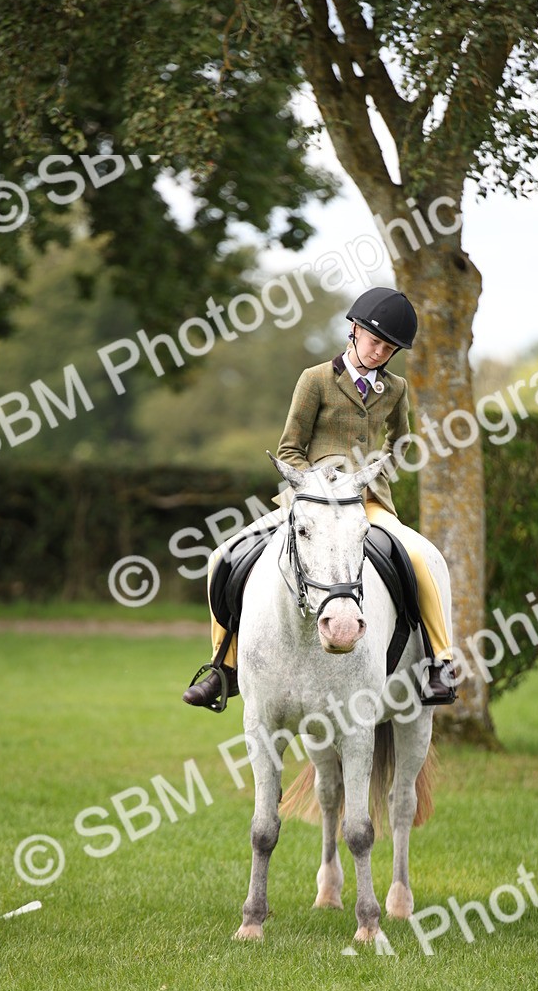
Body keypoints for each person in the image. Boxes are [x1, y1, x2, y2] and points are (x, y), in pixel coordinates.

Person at [182, 285, 456, 709]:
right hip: (309, 503)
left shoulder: (397, 389)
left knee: (421, 559)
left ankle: (441, 662)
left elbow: (400, 442)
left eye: (389, 348)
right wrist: (317, 486)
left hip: (365, 503)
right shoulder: (315, 380)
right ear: (354, 330)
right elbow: (290, 447)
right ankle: (225, 667)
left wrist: (375, 475)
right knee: (222, 557)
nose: (380, 352)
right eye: (375, 341)